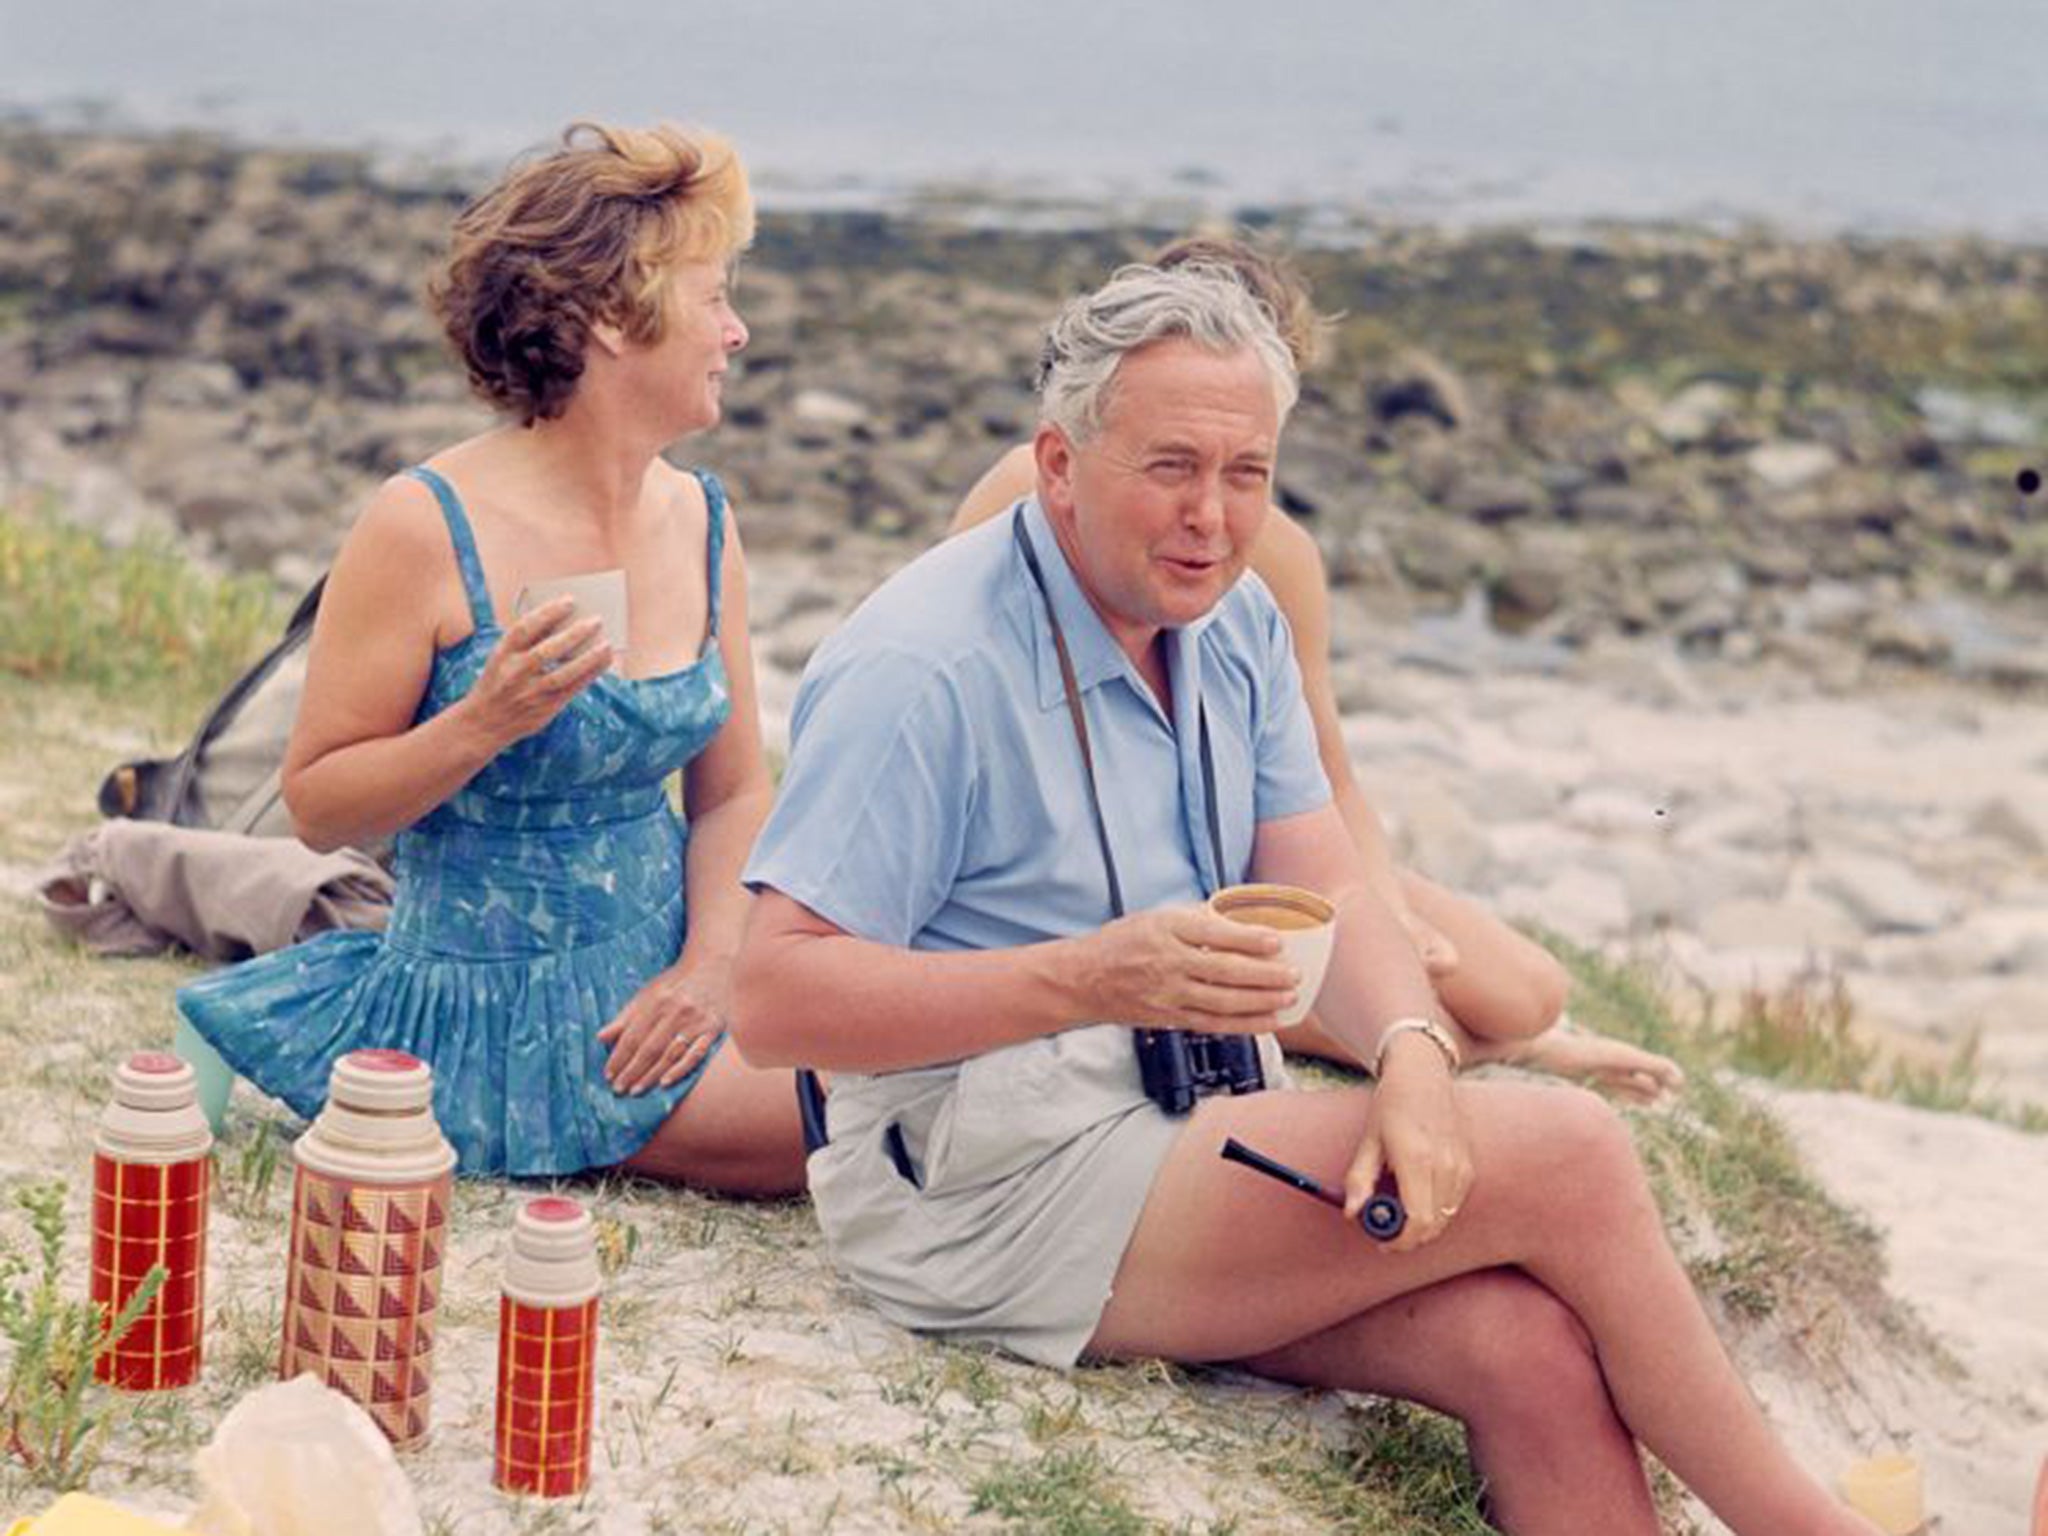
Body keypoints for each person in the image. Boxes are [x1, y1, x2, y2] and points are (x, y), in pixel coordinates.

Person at [733, 265, 1878, 1534]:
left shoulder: (1233, 623)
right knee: (1570, 1150)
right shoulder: (923, 662)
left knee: (1526, 1351)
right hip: (978, 1190)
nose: (1211, 519)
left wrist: (1406, 1052)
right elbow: (775, 1000)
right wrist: (1087, 976)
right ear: (1057, 462)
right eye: (1170, 466)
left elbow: (1323, 874)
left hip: (1190, 1125)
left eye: (1247, 474)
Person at [177, 122, 804, 1194]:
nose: (736, 332)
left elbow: (734, 789)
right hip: (495, 1011)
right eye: (713, 297)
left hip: (673, 975)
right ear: (613, 315)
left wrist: (709, 969)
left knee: (919, 1046)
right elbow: (321, 804)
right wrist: (484, 720)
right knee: (875, 1124)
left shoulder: (702, 519)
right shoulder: (423, 522)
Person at [949, 235, 1681, 1104]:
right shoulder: (1026, 492)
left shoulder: (1281, 557)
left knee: (1527, 990)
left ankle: (1521, 1040)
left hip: (1247, 846)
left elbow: (1328, 777)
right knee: (1431, 1025)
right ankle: (1502, 1053)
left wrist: (1384, 910)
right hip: (1096, 875)